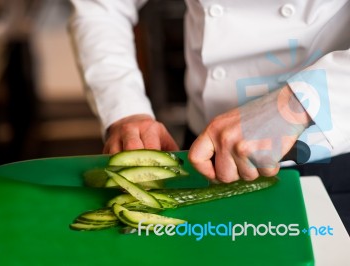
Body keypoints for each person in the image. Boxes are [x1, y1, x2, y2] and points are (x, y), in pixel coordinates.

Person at [68, 1, 350, 187]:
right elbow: (102, 7)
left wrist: (297, 105)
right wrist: (125, 108)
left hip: (327, 145)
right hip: (204, 151)